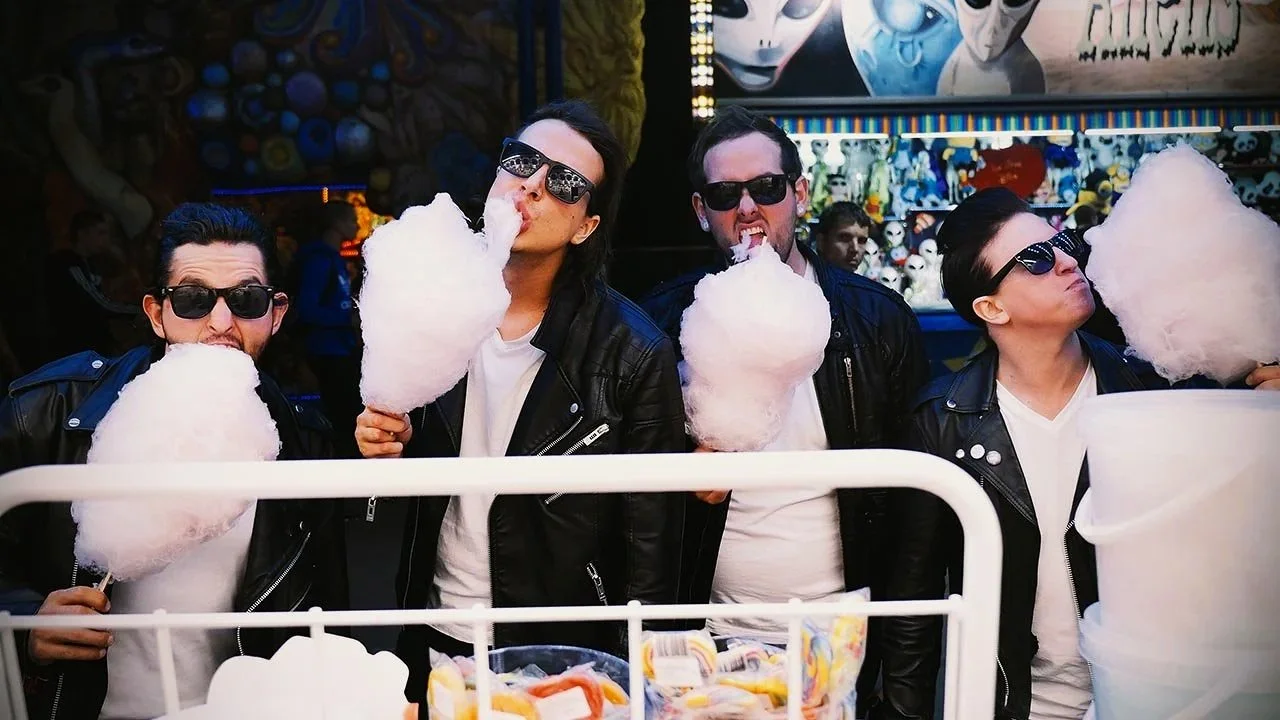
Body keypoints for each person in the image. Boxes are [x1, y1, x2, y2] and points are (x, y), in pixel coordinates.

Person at [872, 188, 1280, 720]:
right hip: (1018, 702)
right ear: (990, 307)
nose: (1067, 261)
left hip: (1152, 693)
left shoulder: (1151, 384)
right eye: (1036, 260)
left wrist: (1259, 413)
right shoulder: (941, 420)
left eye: (1061, 242)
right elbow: (915, 604)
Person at [354, 100, 686, 699]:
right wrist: (378, 443)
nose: (532, 185)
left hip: (562, 655)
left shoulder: (632, 352)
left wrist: (641, 681)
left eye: (564, 183)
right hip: (439, 628)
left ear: (586, 226)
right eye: (522, 161)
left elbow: (650, 544)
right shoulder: (425, 304)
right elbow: (388, 485)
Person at [0, 202, 349, 720]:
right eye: (192, 299)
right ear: (156, 314)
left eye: (247, 299)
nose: (221, 323)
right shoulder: (48, 413)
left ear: (275, 314)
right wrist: (25, 619)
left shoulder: (305, 442)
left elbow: (325, 619)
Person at [639, 105, 930, 713]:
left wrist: (900, 686)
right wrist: (683, 472)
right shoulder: (661, 325)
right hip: (707, 637)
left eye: (767, 188)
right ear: (701, 211)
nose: (747, 208)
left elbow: (913, 515)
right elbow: (628, 491)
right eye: (724, 194)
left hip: (844, 637)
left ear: (798, 194)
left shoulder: (875, 320)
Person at [294, 199, 362, 459]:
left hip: (340, 348)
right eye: (352, 220)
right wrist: (346, 319)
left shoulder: (332, 258)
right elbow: (307, 308)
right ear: (336, 224)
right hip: (328, 352)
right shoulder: (319, 260)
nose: (357, 225)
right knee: (342, 419)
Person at [44, 210, 141, 360]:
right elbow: (99, 303)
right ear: (83, 234)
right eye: (100, 233)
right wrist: (138, 310)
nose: (106, 240)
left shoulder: (89, 264)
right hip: (76, 347)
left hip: (91, 346)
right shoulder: (69, 264)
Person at [814, 201, 874, 272]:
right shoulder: (803, 281)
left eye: (861, 241)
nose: (855, 249)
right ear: (821, 242)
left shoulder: (865, 282)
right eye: (845, 238)